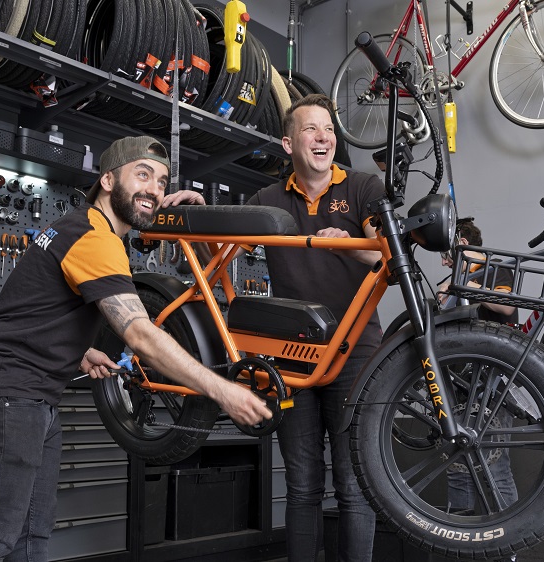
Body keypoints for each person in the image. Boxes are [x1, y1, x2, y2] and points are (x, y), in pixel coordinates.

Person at [0, 136, 272, 561]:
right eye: (142, 175)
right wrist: (222, 390)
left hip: (30, 396)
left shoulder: (86, 227)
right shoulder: (93, 237)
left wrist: (79, 352)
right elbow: (139, 334)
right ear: (107, 180)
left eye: (160, 181)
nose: (154, 189)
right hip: (11, 395)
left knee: (29, 541)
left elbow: (30, 309)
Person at [162, 94, 382, 561]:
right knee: (303, 485)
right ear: (288, 143)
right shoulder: (267, 200)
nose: (323, 137)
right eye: (310, 130)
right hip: (289, 354)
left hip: (356, 352)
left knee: (354, 483)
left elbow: (386, 256)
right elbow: (215, 262)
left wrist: (348, 244)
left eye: (328, 129)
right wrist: (198, 217)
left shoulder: (363, 186)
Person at [438, 218, 519, 559]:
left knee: (495, 470)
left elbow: (507, 306)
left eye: (447, 252)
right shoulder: (452, 277)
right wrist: (447, 287)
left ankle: (507, 550)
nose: (444, 260)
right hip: (455, 391)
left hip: (491, 388)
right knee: (458, 471)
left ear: (463, 243)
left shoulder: (497, 271)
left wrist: (465, 280)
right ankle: (459, 549)